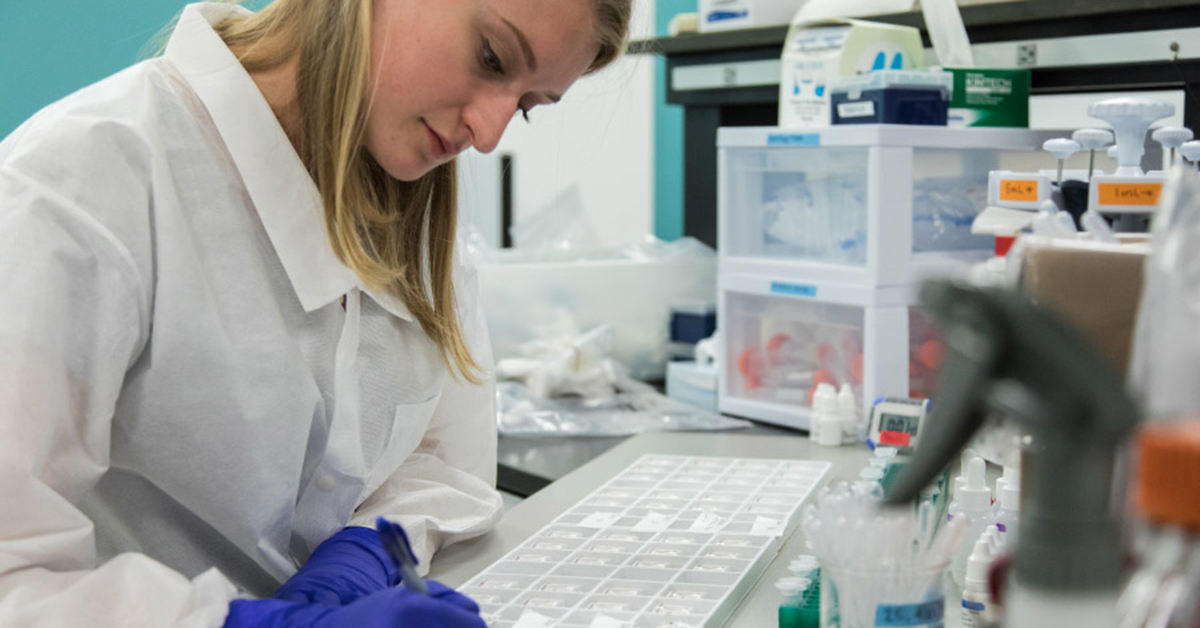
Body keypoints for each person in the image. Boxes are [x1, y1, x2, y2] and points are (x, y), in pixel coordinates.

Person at [0, 0, 631, 625]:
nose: (489, 135)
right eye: (491, 57)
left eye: (524, 107)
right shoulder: (80, 183)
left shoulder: (418, 218)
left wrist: (368, 549)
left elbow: (440, 460)